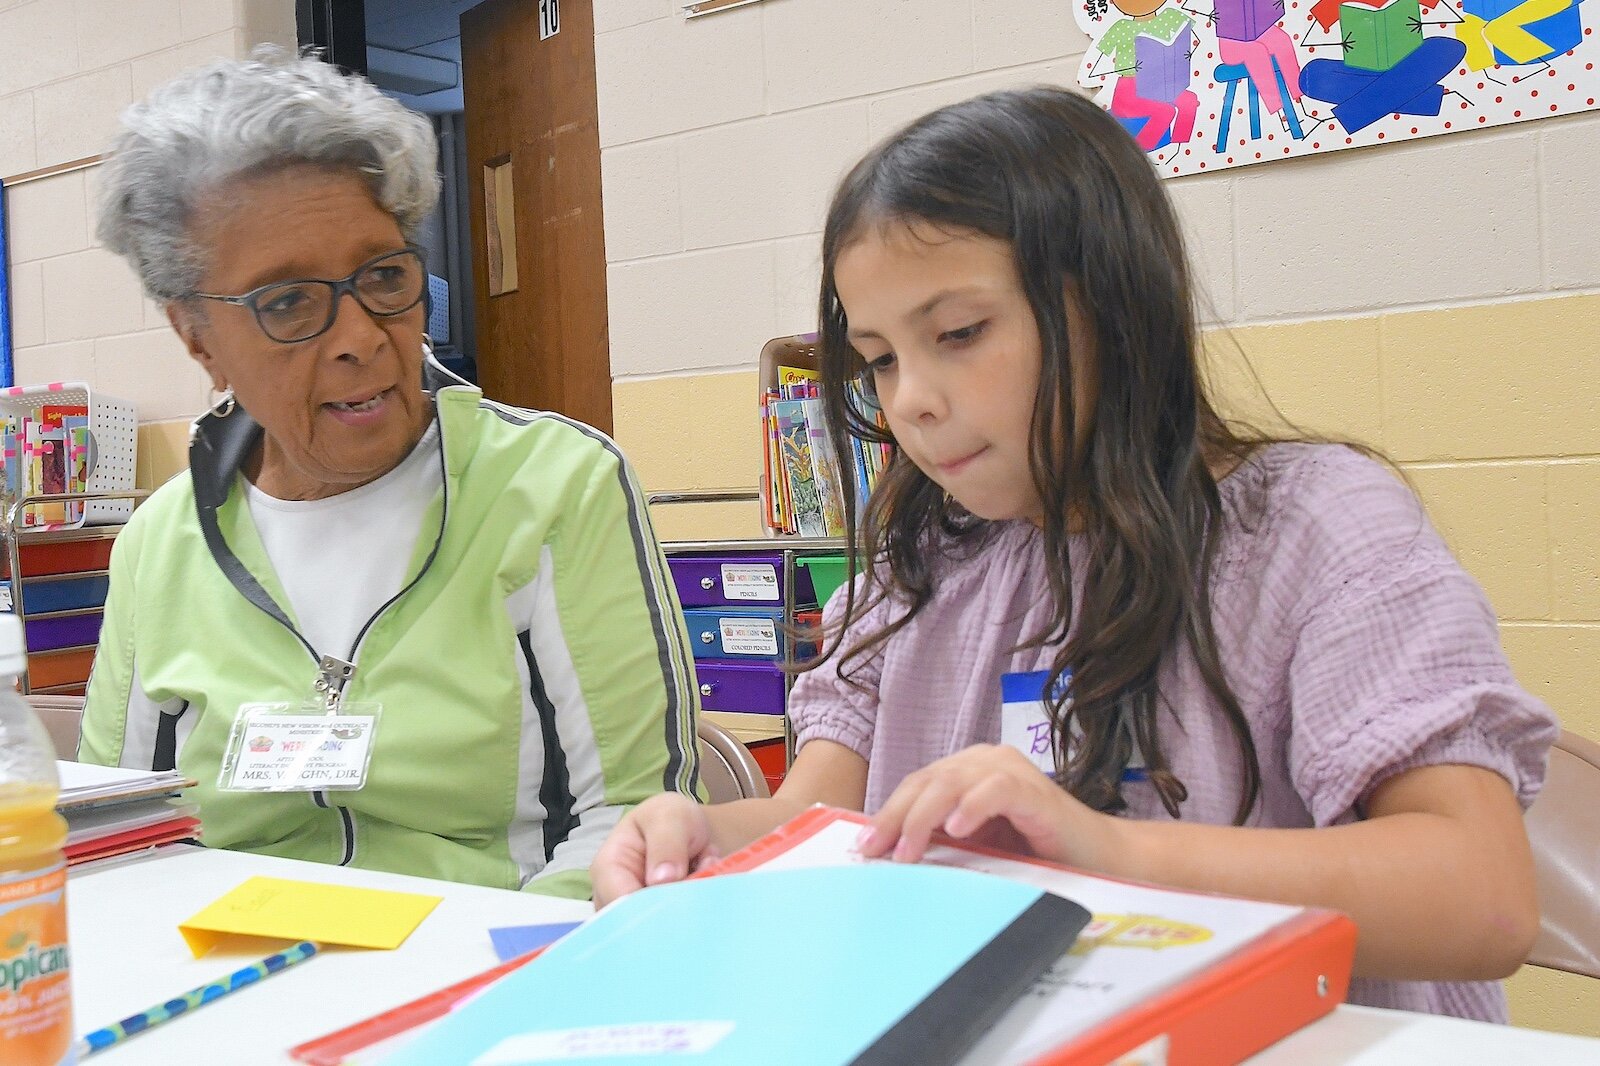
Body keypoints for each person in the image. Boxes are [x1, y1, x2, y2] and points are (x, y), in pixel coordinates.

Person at [592, 86, 1557, 1017]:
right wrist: (703, 837)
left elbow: (1480, 899)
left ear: (1114, 307)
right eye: (882, 358)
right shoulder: (918, 561)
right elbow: (823, 823)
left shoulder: (1314, 532)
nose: (911, 399)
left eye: (960, 333)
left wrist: (1100, 851)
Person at [79, 50, 701, 900]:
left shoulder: (553, 488)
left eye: (382, 277)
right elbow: (118, 832)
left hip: (488, 977)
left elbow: (633, 819)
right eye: (289, 301)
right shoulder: (163, 540)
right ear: (196, 336)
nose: (362, 336)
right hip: (228, 981)